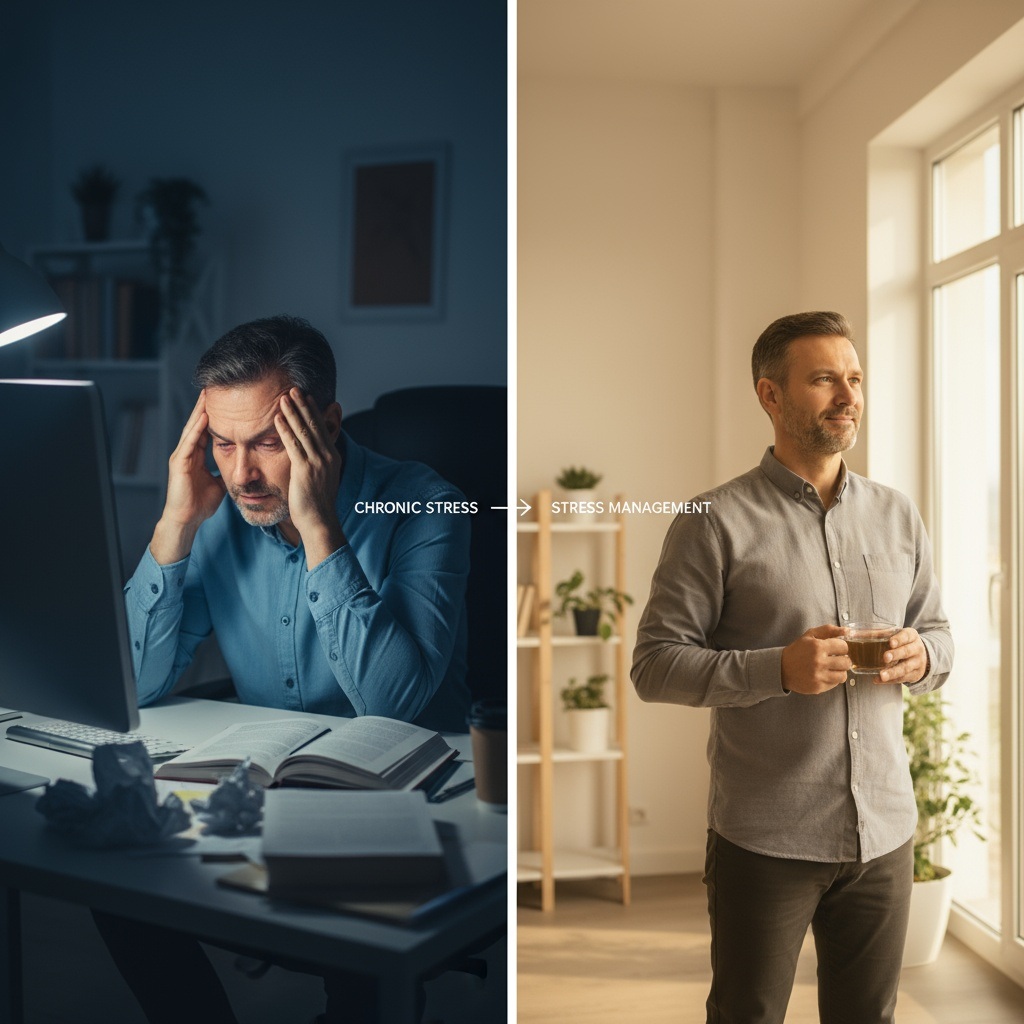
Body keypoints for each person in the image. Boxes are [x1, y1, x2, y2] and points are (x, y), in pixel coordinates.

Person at [95, 314, 472, 1024]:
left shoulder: (428, 506)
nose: (241, 474)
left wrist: (322, 527)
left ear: (325, 423)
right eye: (223, 443)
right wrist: (174, 527)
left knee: (362, 952)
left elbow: (396, 702)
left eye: (268, 442)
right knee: (114, 881)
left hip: (406, 800)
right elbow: (134, 685)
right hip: (270, 788)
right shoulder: (222, 512)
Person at [631, 311, 953, 1024]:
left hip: (885, 834)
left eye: (856, 378)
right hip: (766, 839)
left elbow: (940, 635)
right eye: (825, 379)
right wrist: (779, 668)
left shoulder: (899, 516)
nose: (849, 395)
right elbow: (654, 665)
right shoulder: (712, 520)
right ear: (770, 395)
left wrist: (921, 654)